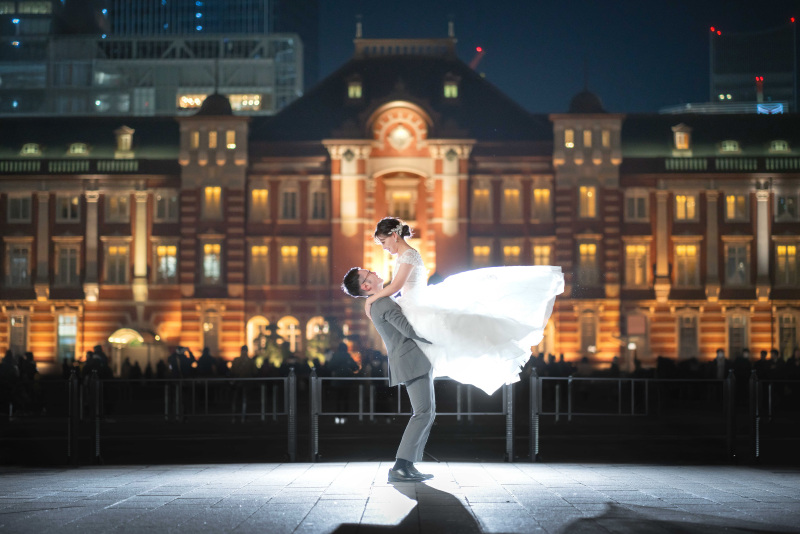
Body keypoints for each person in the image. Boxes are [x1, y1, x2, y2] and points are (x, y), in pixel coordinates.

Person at [363, 217, 565, 395]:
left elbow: (396, 286)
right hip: (410, 303)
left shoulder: (408, 255)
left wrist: (371, 299)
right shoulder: (403, 256)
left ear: (394, 235)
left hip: (416, 304)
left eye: (383, 241)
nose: (384, 247)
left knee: (448, 338)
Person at [342, 267, 436, 483]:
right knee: (423, 412)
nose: (374, 272)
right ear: (366, 286)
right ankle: (401, 466)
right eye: (369, 273)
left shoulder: (378, 301)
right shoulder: (382, 303)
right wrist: (437, 336)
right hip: (411, 360)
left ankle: (408, 465)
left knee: (426, 412)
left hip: (412, 359)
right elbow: (409, 330)